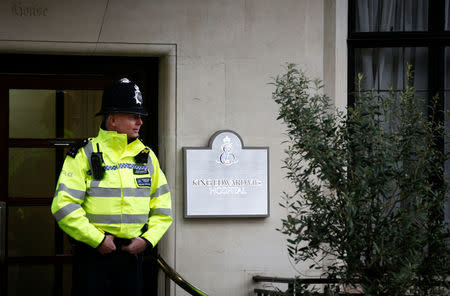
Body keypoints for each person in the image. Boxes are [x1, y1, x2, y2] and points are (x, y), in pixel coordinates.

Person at [51, 78, 173, 296]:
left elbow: (163, 209)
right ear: (113, 119)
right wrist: (97, 240)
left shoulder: (146, 157)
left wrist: (147, 240)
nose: (140, 122)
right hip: (92, 257)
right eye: (133, 116)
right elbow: (64, 206)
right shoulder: (84, 154)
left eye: (140, 117)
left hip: (131, 257)